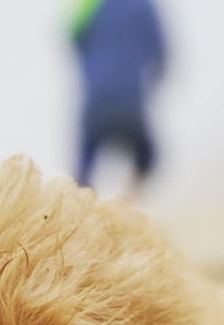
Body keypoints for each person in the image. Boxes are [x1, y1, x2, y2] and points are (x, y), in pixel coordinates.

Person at [69, 0, 167, 194]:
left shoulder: (89, 5)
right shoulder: (144, 5)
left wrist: (91, 72)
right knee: (148, 156)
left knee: (83, 167)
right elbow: (162, 55)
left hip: (96, 100)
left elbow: (72, 37)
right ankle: (128, 204)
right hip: (131, 102)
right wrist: (145, 88)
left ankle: (80, 209)